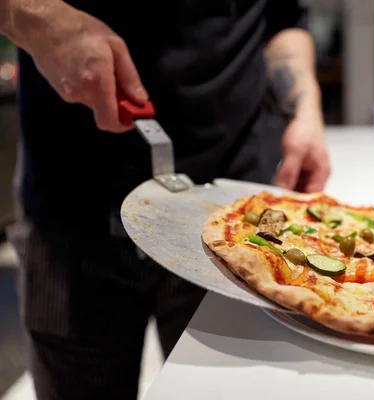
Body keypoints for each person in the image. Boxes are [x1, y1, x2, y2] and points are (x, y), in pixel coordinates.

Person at [0, 0, 330, 398]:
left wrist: (305, 108)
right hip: (71, 204)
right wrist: (39, 17)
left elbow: (281, 17)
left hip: (233, 224)